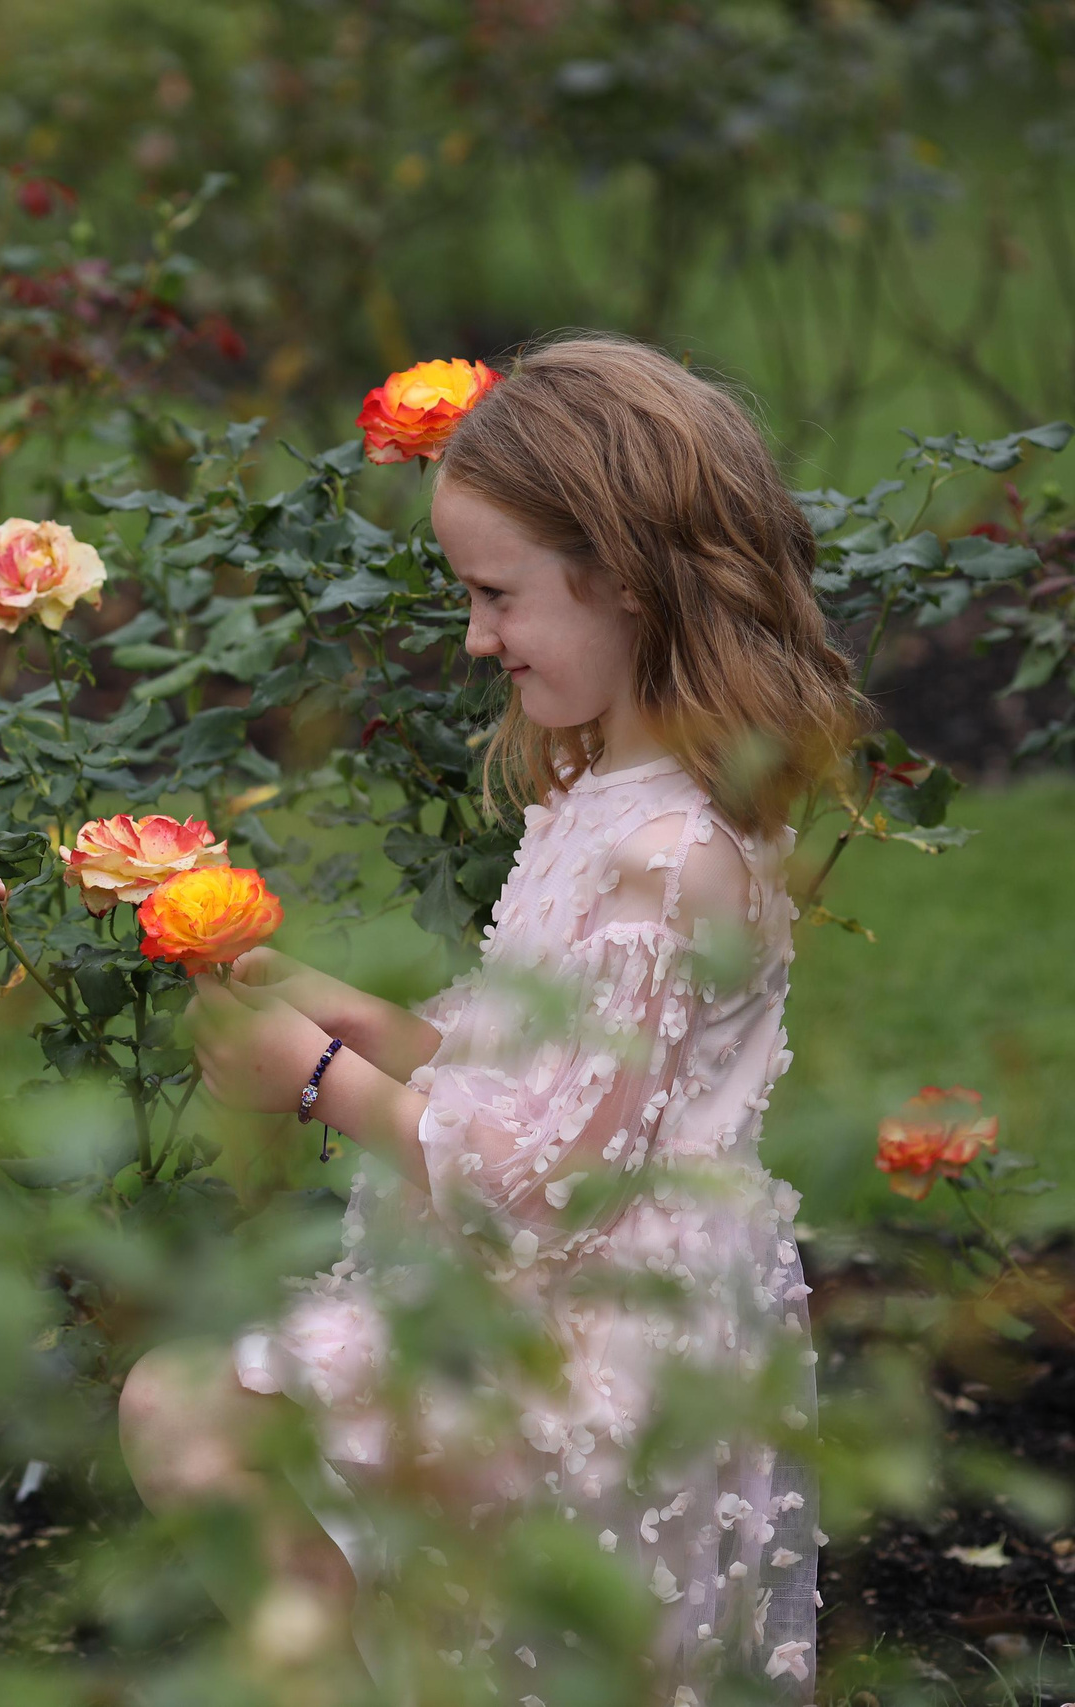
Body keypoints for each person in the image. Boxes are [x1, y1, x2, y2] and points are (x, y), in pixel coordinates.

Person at [120, 337, 857, 1702]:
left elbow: (545, 1184)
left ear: (623, 576)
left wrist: (320, 1079)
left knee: (194, 1414)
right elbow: (550, 1072)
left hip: (595, 1346)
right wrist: (348, 1015)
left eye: (495, 594)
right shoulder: (609, 797)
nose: (474, 637)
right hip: (555, 1302)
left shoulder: (668, 854)